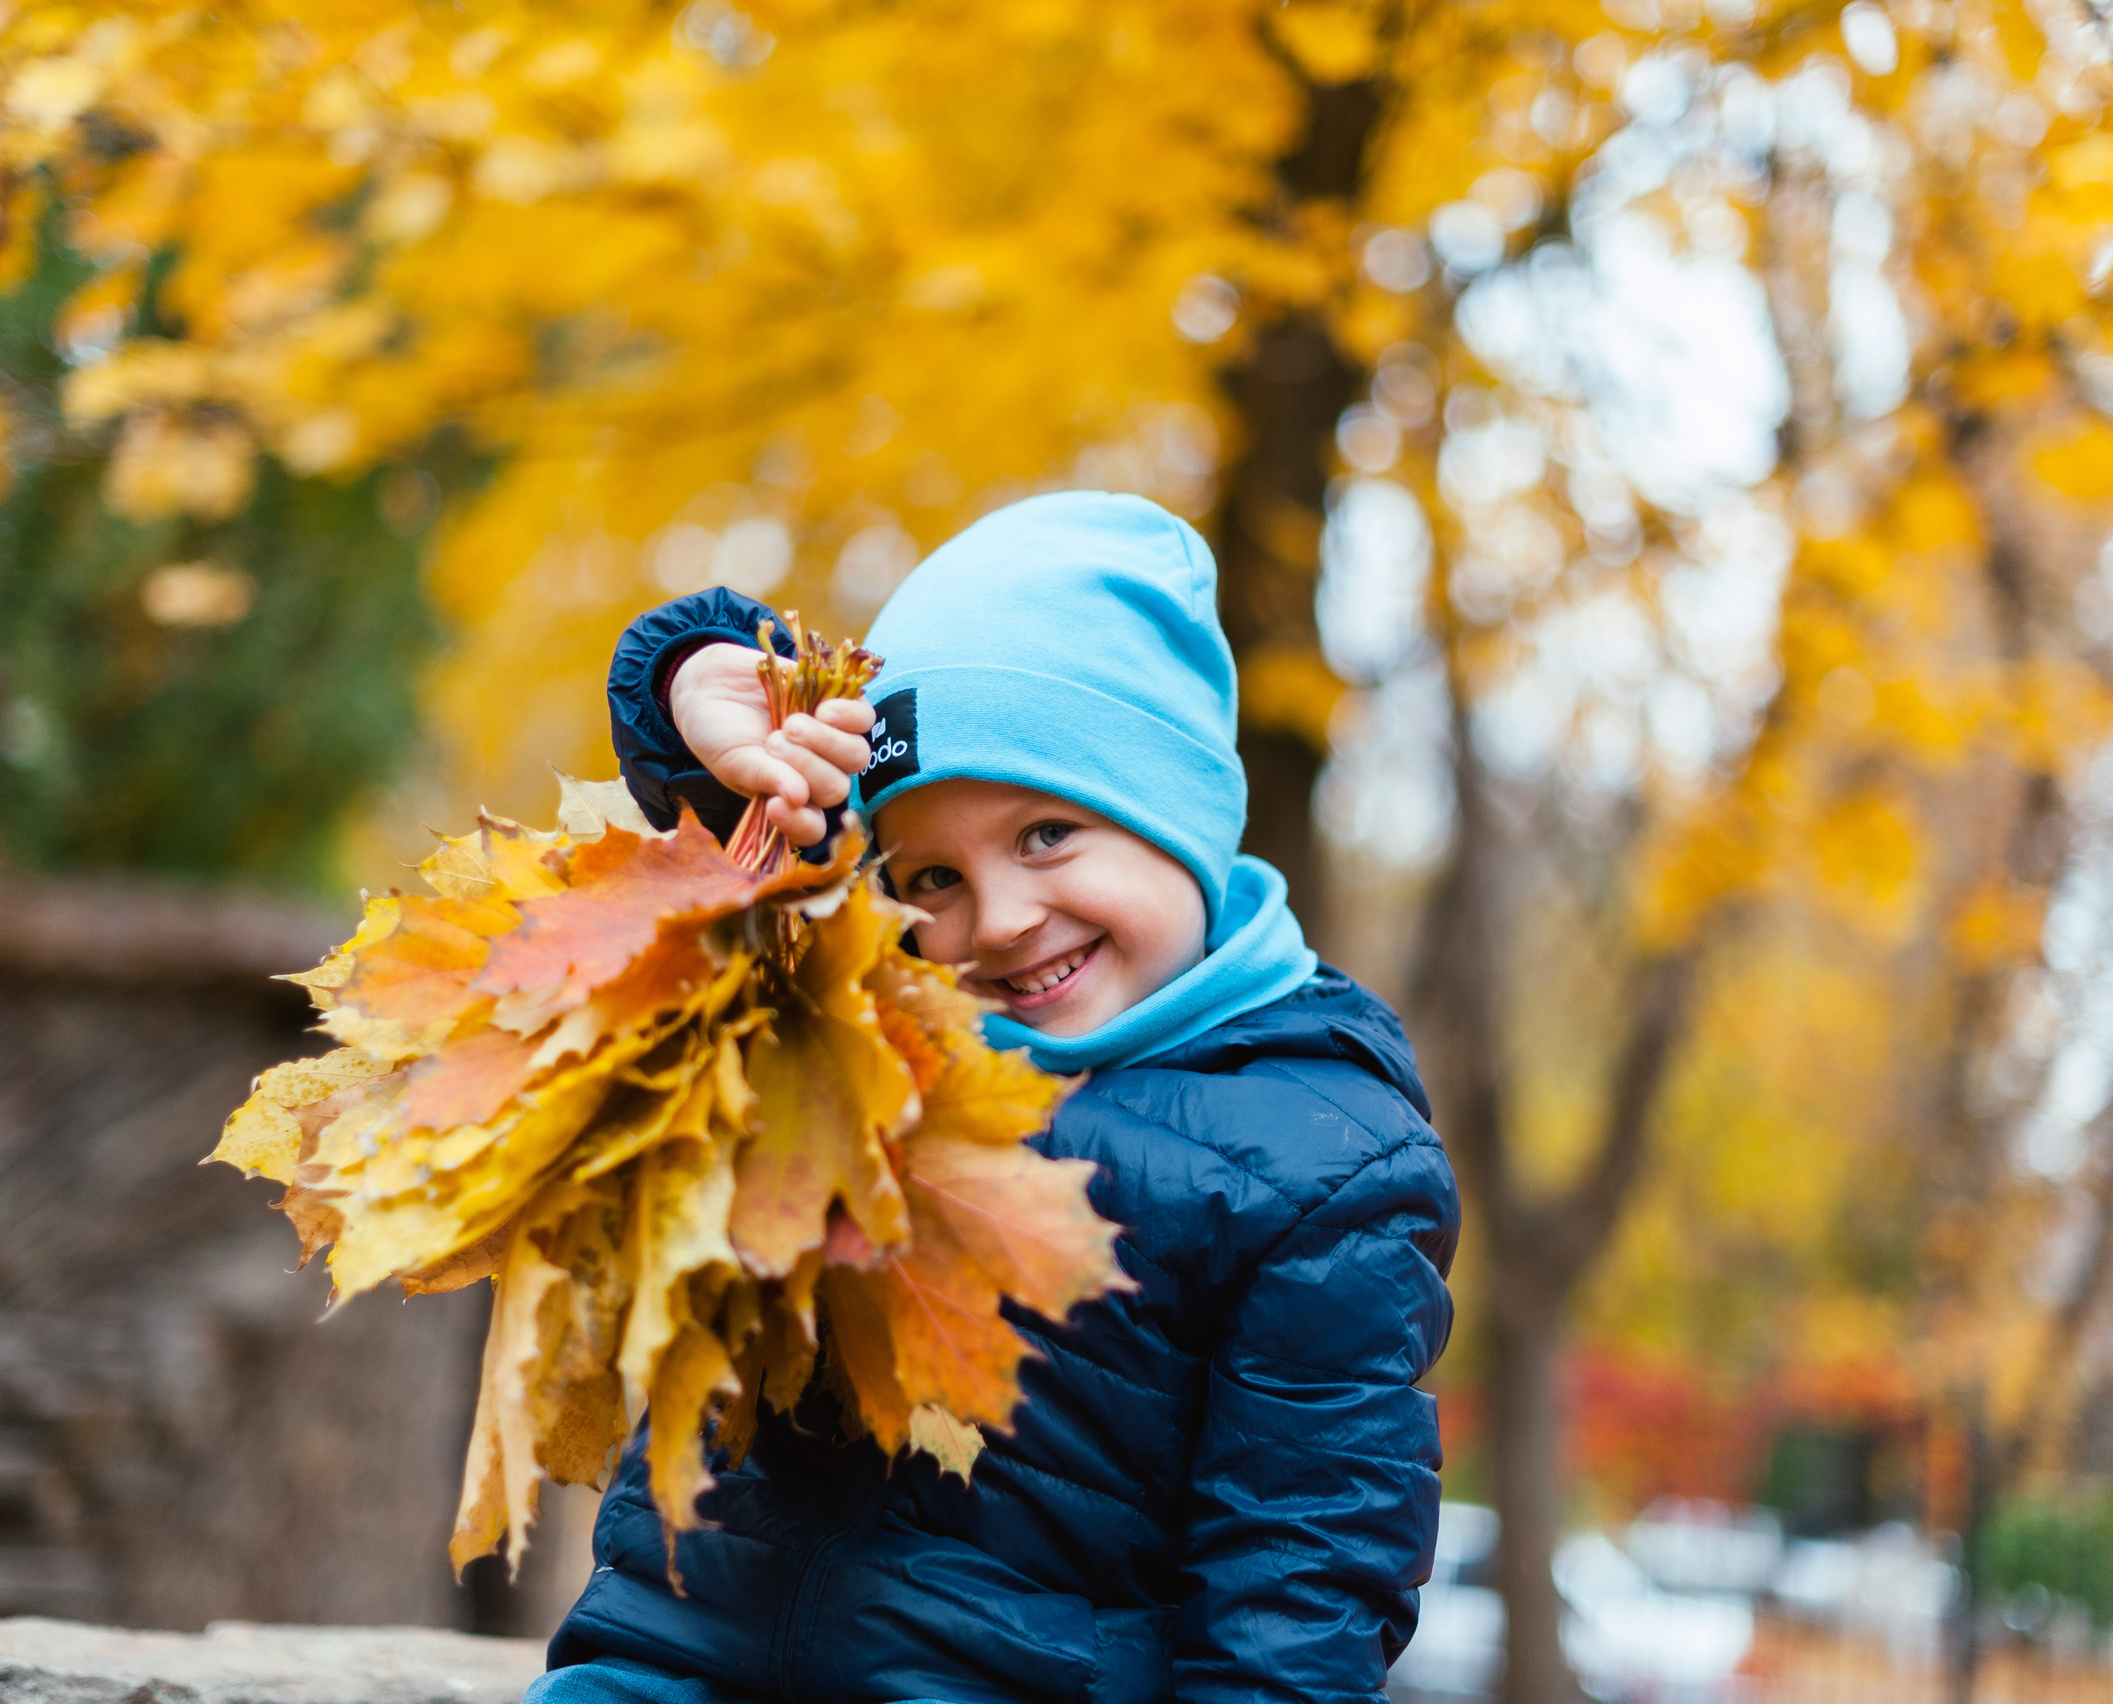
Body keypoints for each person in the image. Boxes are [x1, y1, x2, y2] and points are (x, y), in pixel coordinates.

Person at [529, 491, 1459, 1704]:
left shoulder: (1319, 1162)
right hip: (673, 1660)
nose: (997, 921)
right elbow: (738, 849)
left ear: (1177, 817)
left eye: (1048, 834)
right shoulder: (858, 1023)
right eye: (929, 876)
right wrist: (721, 693)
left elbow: (1300, 1587)